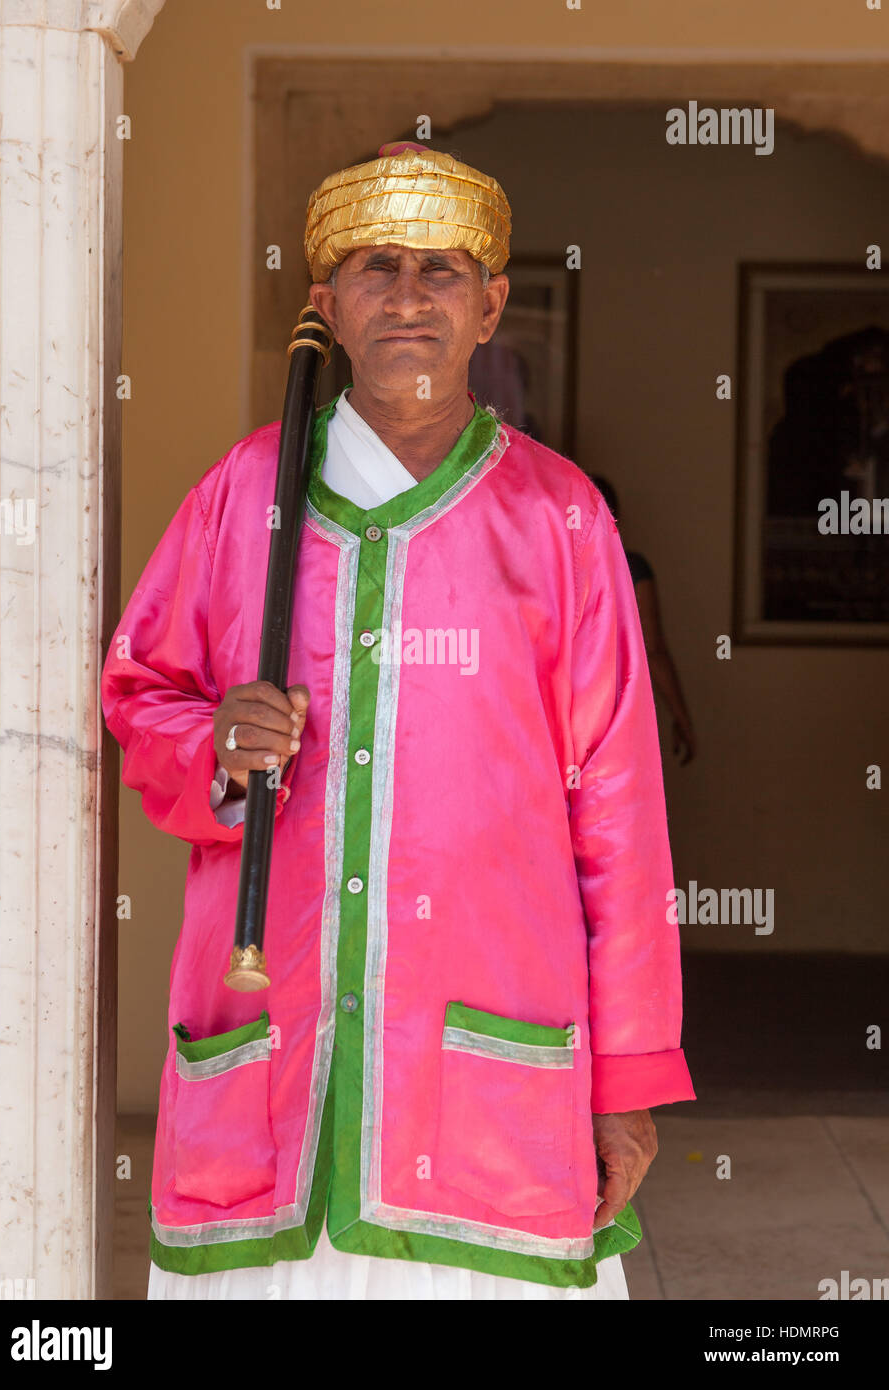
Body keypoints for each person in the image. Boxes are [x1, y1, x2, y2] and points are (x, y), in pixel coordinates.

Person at [101, 140, 695, 1301]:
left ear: (491, 307)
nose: (411, 295)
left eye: (442, 268)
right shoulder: (240, 496)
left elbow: (620, 823)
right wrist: (216, 744)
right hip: (270, 1072)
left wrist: (624, 1080)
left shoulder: (558, 518)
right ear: (323, 305)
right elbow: (139, 693)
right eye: (377, 266)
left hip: (488, 1086)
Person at [591, 476, 697, 766]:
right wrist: (681, 717)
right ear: (616, 517)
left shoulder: (546, 573)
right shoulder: (631, 568)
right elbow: (653, 649)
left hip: (554, 721)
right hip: (611, 721)